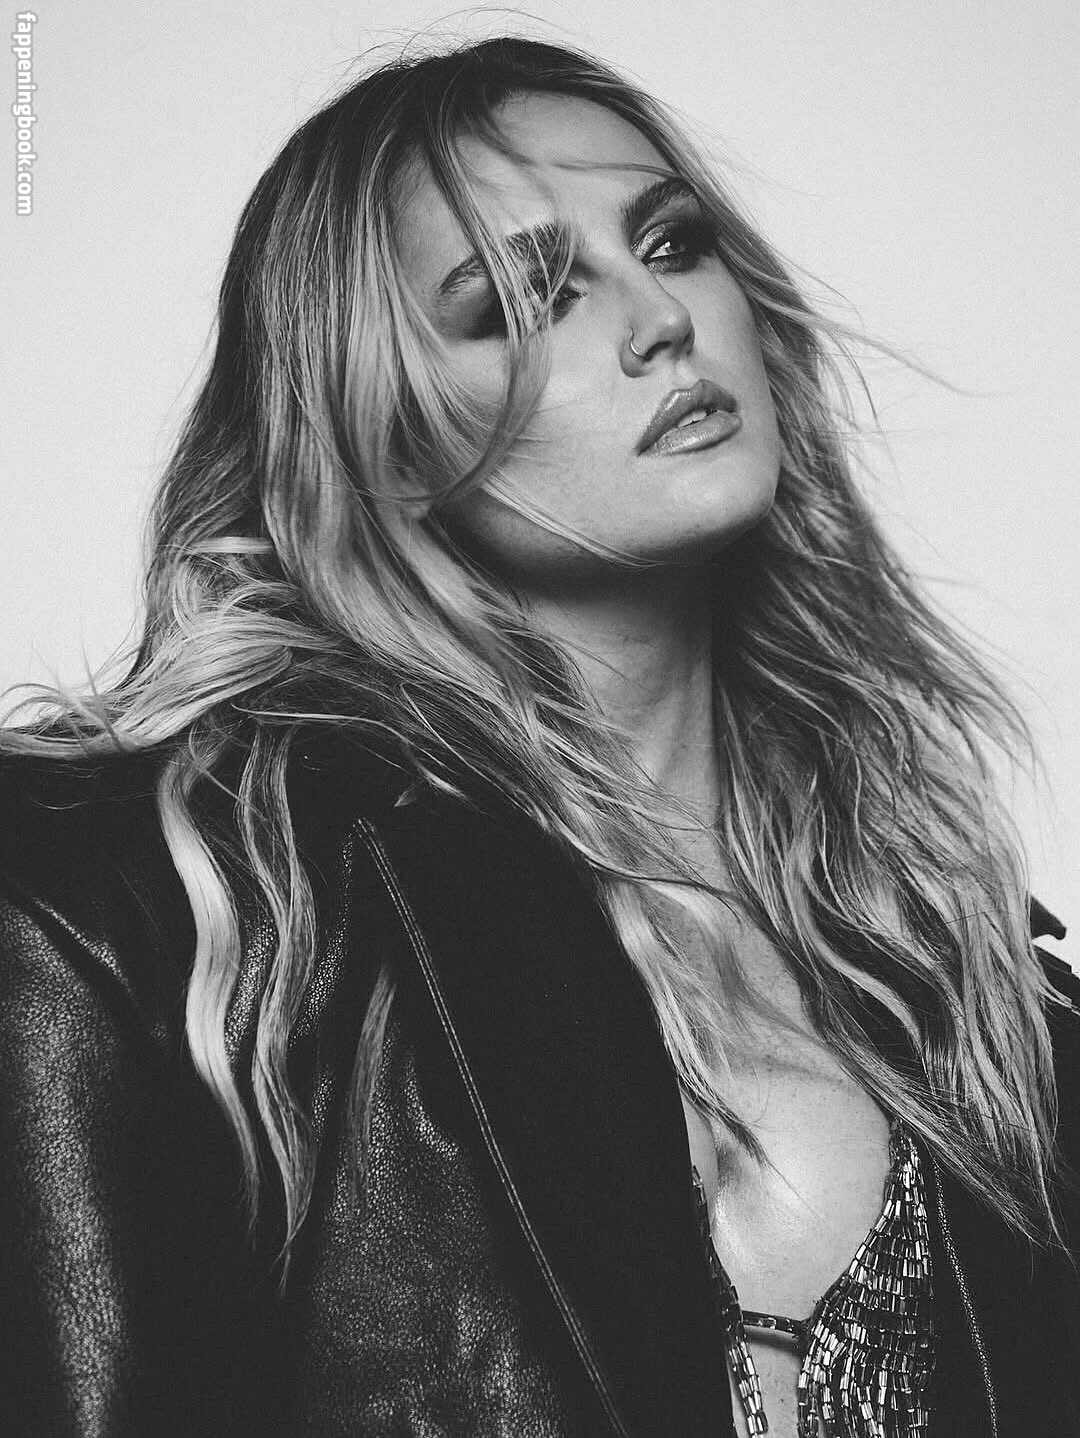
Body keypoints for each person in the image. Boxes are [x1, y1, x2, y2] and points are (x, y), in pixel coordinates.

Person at [1, 34, 1077, 1438]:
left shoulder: (979, 1000)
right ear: (377, 437)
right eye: (525, 298)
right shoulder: (152, 914)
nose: (661, 319)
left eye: (672, 243)